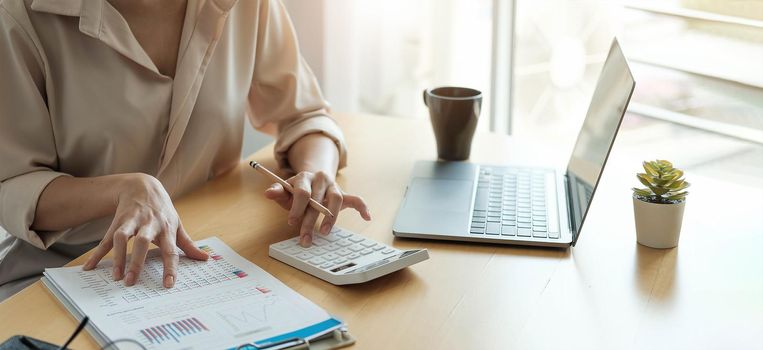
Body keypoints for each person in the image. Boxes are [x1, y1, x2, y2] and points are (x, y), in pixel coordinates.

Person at [0, 0, 370, 301]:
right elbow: (12, 185)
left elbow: (304, 115)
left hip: (209, 259)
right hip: (73, 270)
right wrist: (123, 190)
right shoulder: (19, 16)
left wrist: (316, 171)